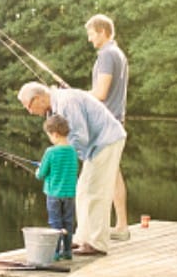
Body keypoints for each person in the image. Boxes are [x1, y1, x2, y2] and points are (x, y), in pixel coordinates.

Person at [17, 82, 126, 255]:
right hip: (94, 147)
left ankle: (97, 243)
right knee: (83, 191)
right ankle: (82, 238)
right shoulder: (56, 107)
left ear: (37, 98)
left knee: (95, 192)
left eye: (28, 106)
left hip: (106, 141)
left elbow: (80, 136)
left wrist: (62, 158)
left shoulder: (67, 102)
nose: (29, 111)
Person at [85, 14, 129, 241]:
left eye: (91, 34)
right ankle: (121, 225)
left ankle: (101, 229)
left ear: (102, 31)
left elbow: (100, 93)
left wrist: (77, 96)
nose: (90, 39)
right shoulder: (118, 54)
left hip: (105, 123)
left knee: (97, 178)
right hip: (116, 121)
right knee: (113, 174)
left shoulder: (106, 55)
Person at [35, 114, 78, 260]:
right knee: (68, 222)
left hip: (53, 194)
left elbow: (41, 174)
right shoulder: (72, 151)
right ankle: (67, 251)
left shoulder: (50, 152)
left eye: (49, 136)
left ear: (54, 134)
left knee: (55, 223)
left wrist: (38, 169)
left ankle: (55, 253)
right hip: (70, 194)